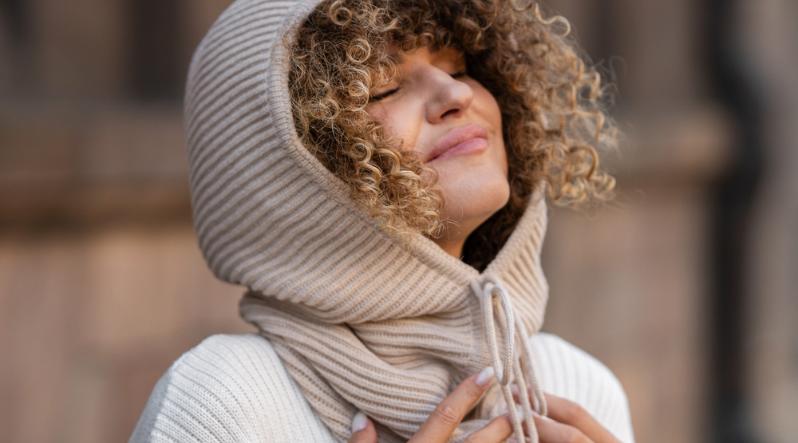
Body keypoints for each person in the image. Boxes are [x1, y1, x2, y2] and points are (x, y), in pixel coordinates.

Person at [130, 0, 634, 442]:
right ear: (284, 173)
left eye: (458, 68)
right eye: (382, 89)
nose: (455, 95)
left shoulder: (579, 385)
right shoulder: (221, 402)